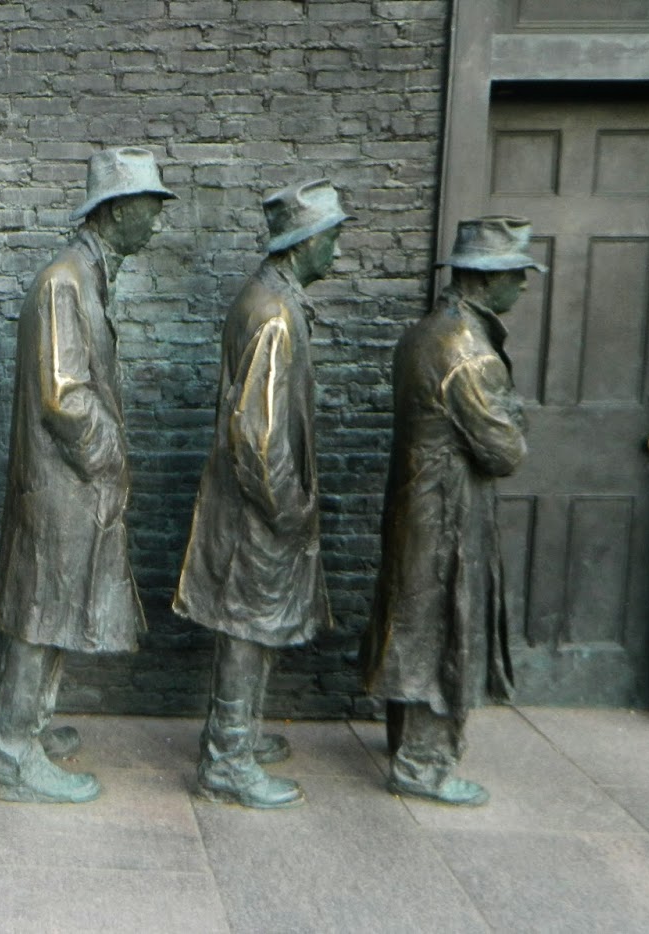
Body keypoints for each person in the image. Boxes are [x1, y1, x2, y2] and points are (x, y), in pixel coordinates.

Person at [0, 147, 174, 804]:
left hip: (71, 487)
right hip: (63, 487)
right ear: (116, 210)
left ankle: (31, 728)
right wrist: (111, 456)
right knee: (41, 618)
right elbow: (64, 395)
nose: (156, 221)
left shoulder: (86, 277)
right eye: (150, 207)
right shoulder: (64, 282)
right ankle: (12, 755)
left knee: (55, 614)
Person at [174, 179, 352, 809]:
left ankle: (239, 732)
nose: (337, 250)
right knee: (250, 626)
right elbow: (258, 431)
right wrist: (288, 508)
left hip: (252, 502)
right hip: (260, 507)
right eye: (332, 237)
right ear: (304, 243)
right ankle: (227, 756)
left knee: (256, 623)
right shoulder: (274, 313)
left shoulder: (270, 298)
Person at [362, 215, 543, 807]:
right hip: (448, 514)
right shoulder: (469, 354)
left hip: (417, 503)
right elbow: (505, 451)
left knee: (413, 620)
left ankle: (404, 744)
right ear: (489, 278)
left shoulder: (424, 333)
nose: (523, 287)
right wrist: (516, 417)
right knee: (442, 629)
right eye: (518, 275)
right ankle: (421, 763)